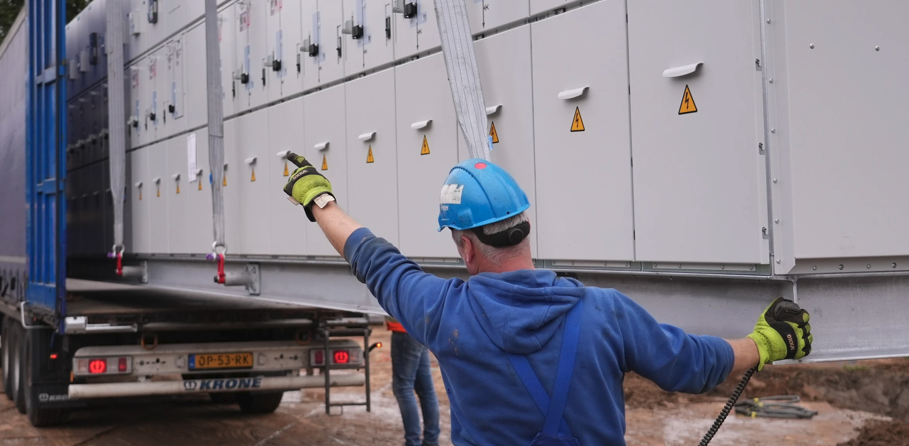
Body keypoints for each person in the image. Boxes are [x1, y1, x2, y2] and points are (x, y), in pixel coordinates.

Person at [282, 153, 812, 446]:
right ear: (526, 227)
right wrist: (767, 343)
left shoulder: (445, 313)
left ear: (466, 247)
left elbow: (374, 259)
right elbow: (691, 365)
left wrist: (318, 198)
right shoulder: (604, 311)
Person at [386, 315, 441, 446]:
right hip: (420, 329)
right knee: (426, 390)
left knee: (403, 389)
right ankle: (431, 441)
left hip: (404, 329)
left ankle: (413, 442)